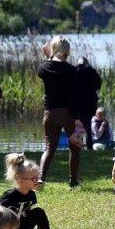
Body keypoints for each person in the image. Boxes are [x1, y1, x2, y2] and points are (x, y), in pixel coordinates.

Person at [38, 35, 84, 188]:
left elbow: (45, 67)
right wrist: (77, 118)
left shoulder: (44, 68)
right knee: (74, 148)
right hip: (68, 113)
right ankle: (73, 181)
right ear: (67, 51)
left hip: (50, 112)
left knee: (50, 148)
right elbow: (75, 96)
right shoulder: (72, 70)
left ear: (53, 49)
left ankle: (41, 178)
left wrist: (48, 55)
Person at [0, 153, 62, 229]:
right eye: (33, 179)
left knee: (38, 212)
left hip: (20, 225)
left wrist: (41, 225)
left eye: (38, 177)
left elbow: (28, 211)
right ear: (19, 180)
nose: (38, 181)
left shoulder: (31, 194)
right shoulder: (10, 195)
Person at [75, 56, 103, 148]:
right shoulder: (91, 71)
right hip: (89, 104)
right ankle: (89, 146)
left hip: (77, 104)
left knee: (78, 126)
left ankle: (78, 145)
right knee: (87, 126)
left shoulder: (74, 71)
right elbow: (98, 85)